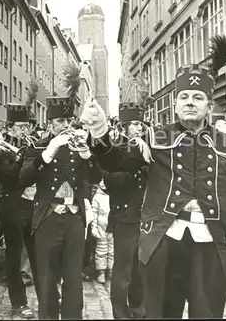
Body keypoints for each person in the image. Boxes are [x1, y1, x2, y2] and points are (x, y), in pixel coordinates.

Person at [82, 64, 226, 318]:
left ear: (209, 107)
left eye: (198, 97)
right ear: (176, 105)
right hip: (164, 244)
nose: (190, 103)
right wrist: (99, 131)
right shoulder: (155, 139)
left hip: (211, 247)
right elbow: (117, 161)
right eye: (184, 97)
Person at [19, 76, 102, 320]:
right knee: (46, 278)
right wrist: (48, 152)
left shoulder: (80, 146)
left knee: (73, 279)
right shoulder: (38, 146)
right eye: (58, 121)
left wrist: (87, 154)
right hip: (47, 218)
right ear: (51, 123)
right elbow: (23, 178)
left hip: (74, 219)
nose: (63, 125)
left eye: (67, 120)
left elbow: (96, 177)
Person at [0, 99, 38, 319]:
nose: (25, 130)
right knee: (13, 257)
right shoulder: (0, 148)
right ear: (10, 128)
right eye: (21, 127)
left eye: (27, 126)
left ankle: (47, 295)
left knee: (38, 254)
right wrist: (22, 157)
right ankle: (18, 302)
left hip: (32, 205)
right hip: (12, 206)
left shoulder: (32, 145)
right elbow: (8, 177)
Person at [101, 103, 147, 319]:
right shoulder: (115, 148)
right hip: (125, 216)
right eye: (135, 124)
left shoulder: (148, 145)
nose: (139, 129)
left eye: (141, 124)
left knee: (141, 269)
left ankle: (139, 311)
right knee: (123, 271)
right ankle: (121, 314)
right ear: (124, 126)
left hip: (145, 216)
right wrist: (138, 161)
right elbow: (109, 179)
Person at [91, 180, 113, 284]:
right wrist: (94, 227)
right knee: (101, 250)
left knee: (112, 249)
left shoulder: (115, 195)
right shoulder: (97, 197)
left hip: (113, 227)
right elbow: (94, 213)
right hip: (101, 227)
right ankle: (101, 271)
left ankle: (111, 269)